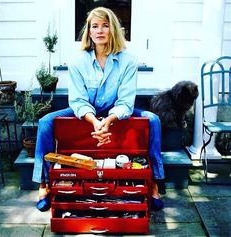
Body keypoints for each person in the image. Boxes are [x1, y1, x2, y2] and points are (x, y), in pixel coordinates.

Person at [32, 6, 165, 212]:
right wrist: (95, 121)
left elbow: (126, 102)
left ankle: (154, 182)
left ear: (113, 30)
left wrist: (109, 119)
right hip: (86, 111)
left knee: (153, 120)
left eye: (105, 26)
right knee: (45, 122)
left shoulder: (128, 61)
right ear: (89, 31)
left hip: (117, 109)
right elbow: (77, 101)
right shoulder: (77, 61)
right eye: (95, 26)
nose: (100, 30)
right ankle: (45, 185)